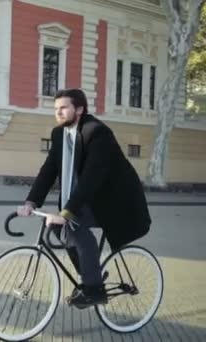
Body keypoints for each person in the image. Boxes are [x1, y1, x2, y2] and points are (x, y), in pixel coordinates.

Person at [17, 88, 151, 309]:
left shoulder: (97, 132)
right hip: (89, 198)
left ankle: (94, 290)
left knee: (72, 224)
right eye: (56, 109)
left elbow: (91, 178)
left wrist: (66, 212)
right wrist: (31, 202)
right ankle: (92, 275)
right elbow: (49, 169)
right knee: (58, 227)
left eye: (64, 108)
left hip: (115, 200)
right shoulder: (59, 134)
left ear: (79, 109)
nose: (58, 113)